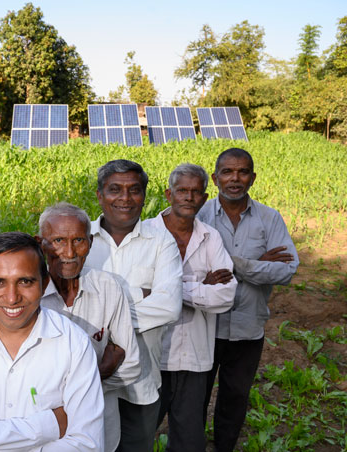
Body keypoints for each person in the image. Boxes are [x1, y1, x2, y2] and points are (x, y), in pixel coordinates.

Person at [0, 232, 104, 451]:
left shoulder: (73, 343)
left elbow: (88, 444)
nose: (12, 297)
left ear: (44, 284)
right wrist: (52, 425)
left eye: (25, 281)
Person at [197, 148, 298, 452]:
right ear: (215, 178)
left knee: (235, 397)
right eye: (227, 171)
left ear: (252, 178)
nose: (235, 178)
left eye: (242, 172)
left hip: (247, 327)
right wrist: (259, 263)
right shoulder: (198, 215)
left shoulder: (269, 218)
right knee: (194, 399)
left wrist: (234, 265)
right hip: (203, 326)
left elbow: (287, 270)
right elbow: (189, 272)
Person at [84, 159, 182, 452]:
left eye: (134, 190)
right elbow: (64, 306)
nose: (125, 198)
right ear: (100, 195)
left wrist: (99, 315)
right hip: (91, 377)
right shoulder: (78, 238)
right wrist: (140, 294)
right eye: (115, 189)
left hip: (141, 379)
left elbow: (169, 306)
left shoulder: (161, 242)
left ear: (145, 195)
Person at [144, 164, 237, 452]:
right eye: (182, 190)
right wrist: (201, 284)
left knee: (189, 440)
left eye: (196, 192)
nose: (189, 197)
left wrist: (167, 288)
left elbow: (226, 296)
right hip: (151, 355)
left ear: (205, 197)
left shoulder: (210, 236)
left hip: (194, 356)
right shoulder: (144, 233)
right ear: (168, 194)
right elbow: (133, 292)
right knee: (139, 433)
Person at [36, 202, 141, 451]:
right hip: (47, 433)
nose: (70, 252)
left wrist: (60, 389)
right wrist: (100, 370)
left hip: (101, 429)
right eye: (58, 240)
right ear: (40, 244)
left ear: (90, 243)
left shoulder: (108, 287)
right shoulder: (29, 295)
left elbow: (132, 365)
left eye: (79, 240)